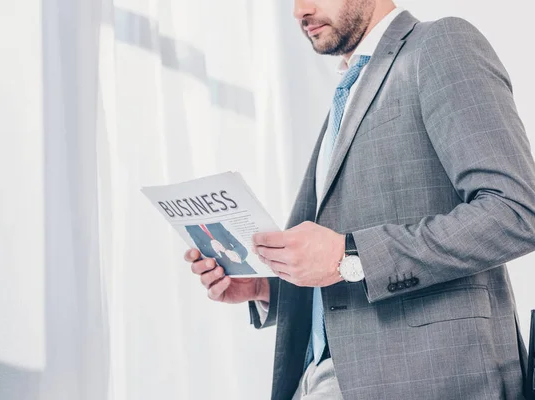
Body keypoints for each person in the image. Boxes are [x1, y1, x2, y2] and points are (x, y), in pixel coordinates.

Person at [185, 0, 535, 398]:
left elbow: (517, 212)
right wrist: (266, 288)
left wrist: (347, 256)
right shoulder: (350, 89)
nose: (300, 11)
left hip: (428, 379)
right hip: (320, 378)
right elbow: (340, 269)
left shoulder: (439, 44)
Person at [185, 223, 256, 276]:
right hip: (223, 269)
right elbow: (201, 247)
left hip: (244, 268)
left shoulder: (213, 221)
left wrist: (236, 254)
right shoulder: (190, 227)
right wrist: (213, 248)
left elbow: (234, 240)